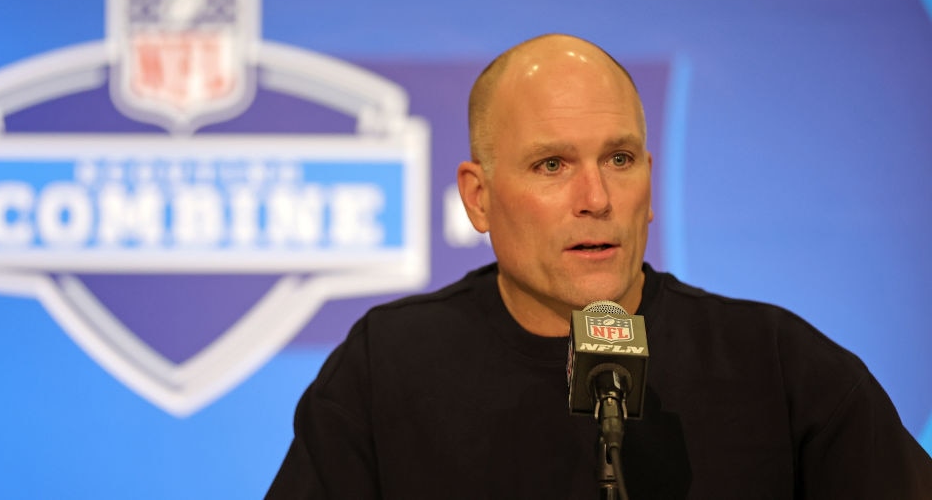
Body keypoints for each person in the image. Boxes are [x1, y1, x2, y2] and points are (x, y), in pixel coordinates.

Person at [266, 33, 932, 499]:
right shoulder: (388, 366)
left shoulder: (777, 363)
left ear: (649, 179)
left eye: (619, 158)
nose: (595, 199)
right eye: (552, 165)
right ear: (478, 197)